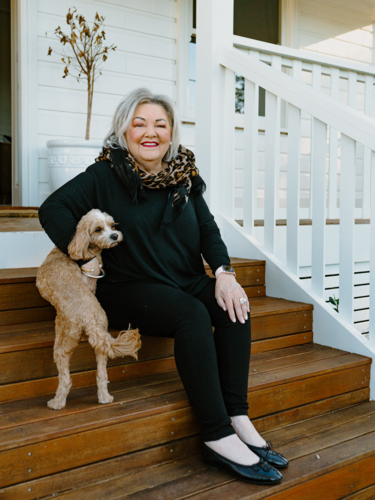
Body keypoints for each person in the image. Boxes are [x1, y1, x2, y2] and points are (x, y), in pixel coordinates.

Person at [39, 88, 287, 485]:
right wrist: (84, 255)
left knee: (234, 304)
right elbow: (52, 208)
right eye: (139, 124)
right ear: (124, 131)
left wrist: (224, 273)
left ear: (171, 132)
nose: (149, 132)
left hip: (182, 279)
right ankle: (217, 435)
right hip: (129, 287)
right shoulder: (105, 174)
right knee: (191, 314)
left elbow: (207, 229)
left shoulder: (185, 176)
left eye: (160, 124)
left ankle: (237, 415)